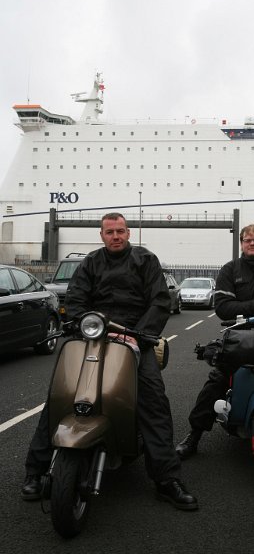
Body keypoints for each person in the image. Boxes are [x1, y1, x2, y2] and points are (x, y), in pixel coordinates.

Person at [21, 212, 198, 511]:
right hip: (92, 332)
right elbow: (76, 299)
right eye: (109, 232)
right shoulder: (90, 262)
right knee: (60, 394)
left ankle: (167, 479)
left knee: (153, 399)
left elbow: (159, 301)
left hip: (135, 335)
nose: (115, 236)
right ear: (101, 235)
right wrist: (84, 323)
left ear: (128, 233)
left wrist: (140, 335)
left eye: (120, 231)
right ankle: (35, 471)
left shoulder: (146, 260)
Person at [176, 223, 254, 459]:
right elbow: (223, 308)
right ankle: (194, 435)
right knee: (217, 380)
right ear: (242, 243)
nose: (252, 243)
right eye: (247, 240)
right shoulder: (230, 270)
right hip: (240, 335)